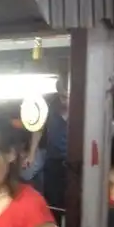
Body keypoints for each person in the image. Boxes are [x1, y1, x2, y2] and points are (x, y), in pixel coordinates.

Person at [43, 80, 69, 218]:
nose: (67, 101)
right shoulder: (50, 108)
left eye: (70, 96)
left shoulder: (84, 112)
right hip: (53, 161)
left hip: (73, 163)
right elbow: (38, 128)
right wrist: (30, 153)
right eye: (64, 97)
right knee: (53, 202)